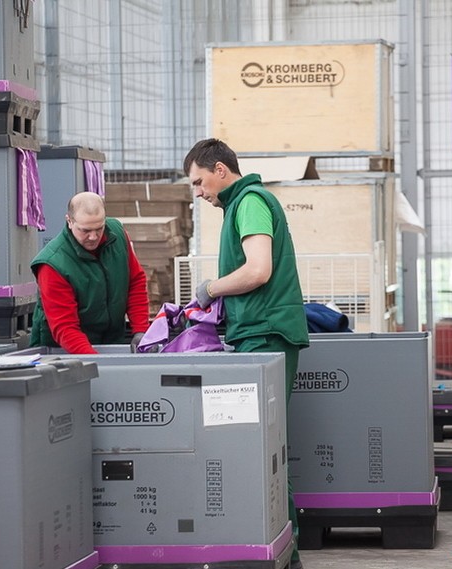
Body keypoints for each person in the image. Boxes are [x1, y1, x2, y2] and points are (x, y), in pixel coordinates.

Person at [184, 138, 309, 569]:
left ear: (220, 170)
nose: (198, 192)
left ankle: (286, 554)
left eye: (199, 181)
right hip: (257, 333)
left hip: (266, 336)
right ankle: (283, 551)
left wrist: (211, 288)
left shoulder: (250, 201)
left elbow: (258, 270)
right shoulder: (238, 205)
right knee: (263, 447)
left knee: (264, 449)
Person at [30, 192, 150, 354]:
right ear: (69, 221)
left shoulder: (117, 235)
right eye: (85, 230)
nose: (93, 237)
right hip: (61, 351)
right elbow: (65, 327)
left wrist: (141, 330)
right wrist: (96, 361)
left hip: (111, 340)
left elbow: (135, 281)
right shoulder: (53, 264)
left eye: (99, 228)